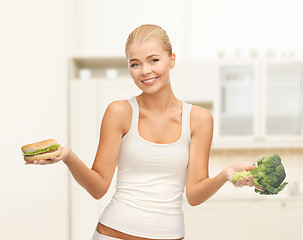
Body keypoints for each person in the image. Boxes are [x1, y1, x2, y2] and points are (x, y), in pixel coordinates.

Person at [26, 24, 262, 240]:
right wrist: (68, 156)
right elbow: (98, 188)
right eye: (135, 63)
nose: (145, 71)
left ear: (172, 59)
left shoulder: (199, 119)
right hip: (114, 233)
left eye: (154, 60)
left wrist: (224, 175)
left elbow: (194, 195)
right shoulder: (119, 112)